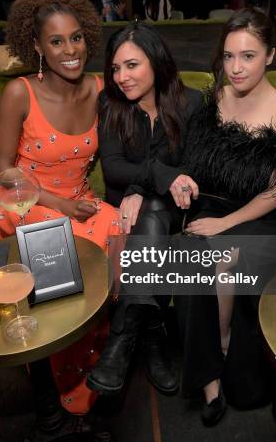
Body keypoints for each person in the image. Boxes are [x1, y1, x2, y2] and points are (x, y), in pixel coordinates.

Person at [175, 7, 276, 426]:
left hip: (266, 215)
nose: (236, 68)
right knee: (194, 253)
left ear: (271, 55)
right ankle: (209, 381)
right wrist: (187, 180)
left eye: (248, 56)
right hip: (216, 204)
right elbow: (200, 160)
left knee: (223, 254)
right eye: (228, 56)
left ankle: (222, 345)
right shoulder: (218, 95)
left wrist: (226, 224)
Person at [0, 0, 120, 416]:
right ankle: (59, 383)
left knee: (118, 229)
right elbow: (0, 165)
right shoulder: (19, 92)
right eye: (57, 41)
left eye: (76, 37)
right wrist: (52, 201)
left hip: (78, 200)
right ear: (38, 47)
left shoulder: (101, 89)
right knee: (60, 252)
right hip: (24, 202)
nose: (70, 50)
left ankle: (101, 359)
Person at [86, 22, 203, 396]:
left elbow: (195, 168)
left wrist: (142, 186)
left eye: (132, 65)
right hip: (133, 208)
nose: (122, 77)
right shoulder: (110, 103)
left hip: (178, 206)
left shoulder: (193, 103)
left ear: (156, 61)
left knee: (152, 206)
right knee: (149, 210)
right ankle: (151, 338)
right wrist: (150, 179)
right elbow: (112, 166)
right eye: (116, 68)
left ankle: (122, 339)